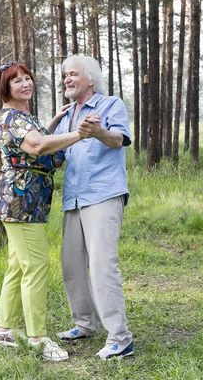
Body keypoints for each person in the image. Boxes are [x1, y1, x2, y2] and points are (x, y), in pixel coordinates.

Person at [0, 61, 81, 362]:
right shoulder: (13, 118)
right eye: (16, 81)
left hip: (27, 201)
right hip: (20, 202)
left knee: (18, 265)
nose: (25, 83)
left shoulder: (24, 116)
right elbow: (38, 145)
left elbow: (40, 139)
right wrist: (82, 134)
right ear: (5, 88)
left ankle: (4, 330)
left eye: (27, 78)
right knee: (37, 265)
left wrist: (54, 121)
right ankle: (38, 337)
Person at [53, 55, 134, 360]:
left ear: (90, 79)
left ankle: (120, 337)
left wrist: (97, 131)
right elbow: (59, 158)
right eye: (64, 76)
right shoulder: (66, 115)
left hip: (102, 193)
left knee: (102, 265)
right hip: (73, 197)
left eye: (72, 75)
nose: (67, 80)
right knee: (72, 265)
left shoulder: (110, 105)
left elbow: (119, 139)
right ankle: (85, 323)